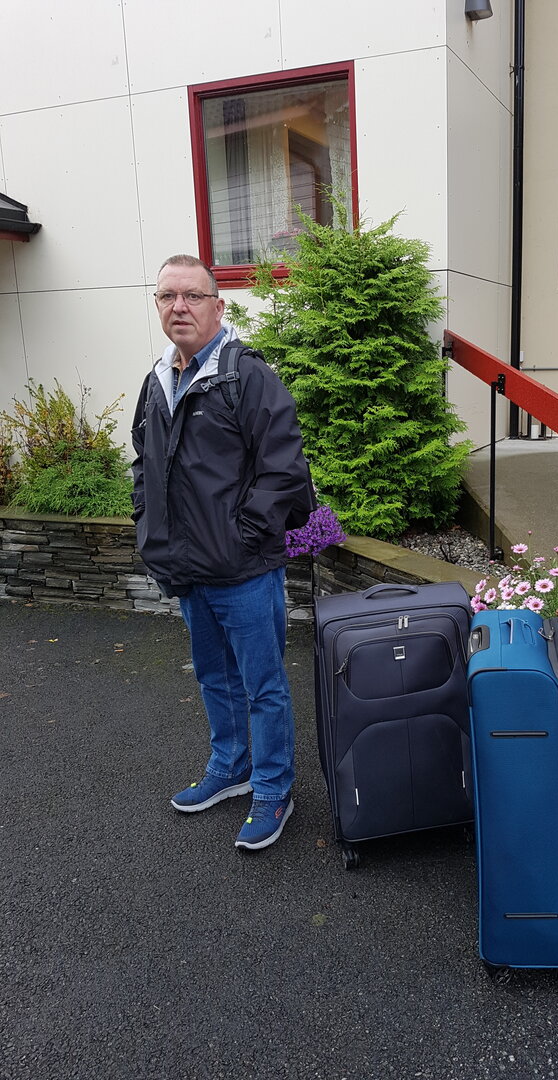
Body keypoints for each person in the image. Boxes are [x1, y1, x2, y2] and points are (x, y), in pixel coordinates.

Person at [132, 254, 313, 851]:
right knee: (215, 678)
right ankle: (231, 767)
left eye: (192, 295)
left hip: (243, 570)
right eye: (167, 296)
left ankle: (273, 788)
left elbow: (284, 470)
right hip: (188, 570)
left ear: (218, 305)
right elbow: (144, 466)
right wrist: (147, 528)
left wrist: (242, 537)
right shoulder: (158, 381)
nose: (179, 306)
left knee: (263, 685)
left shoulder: (246, 376)